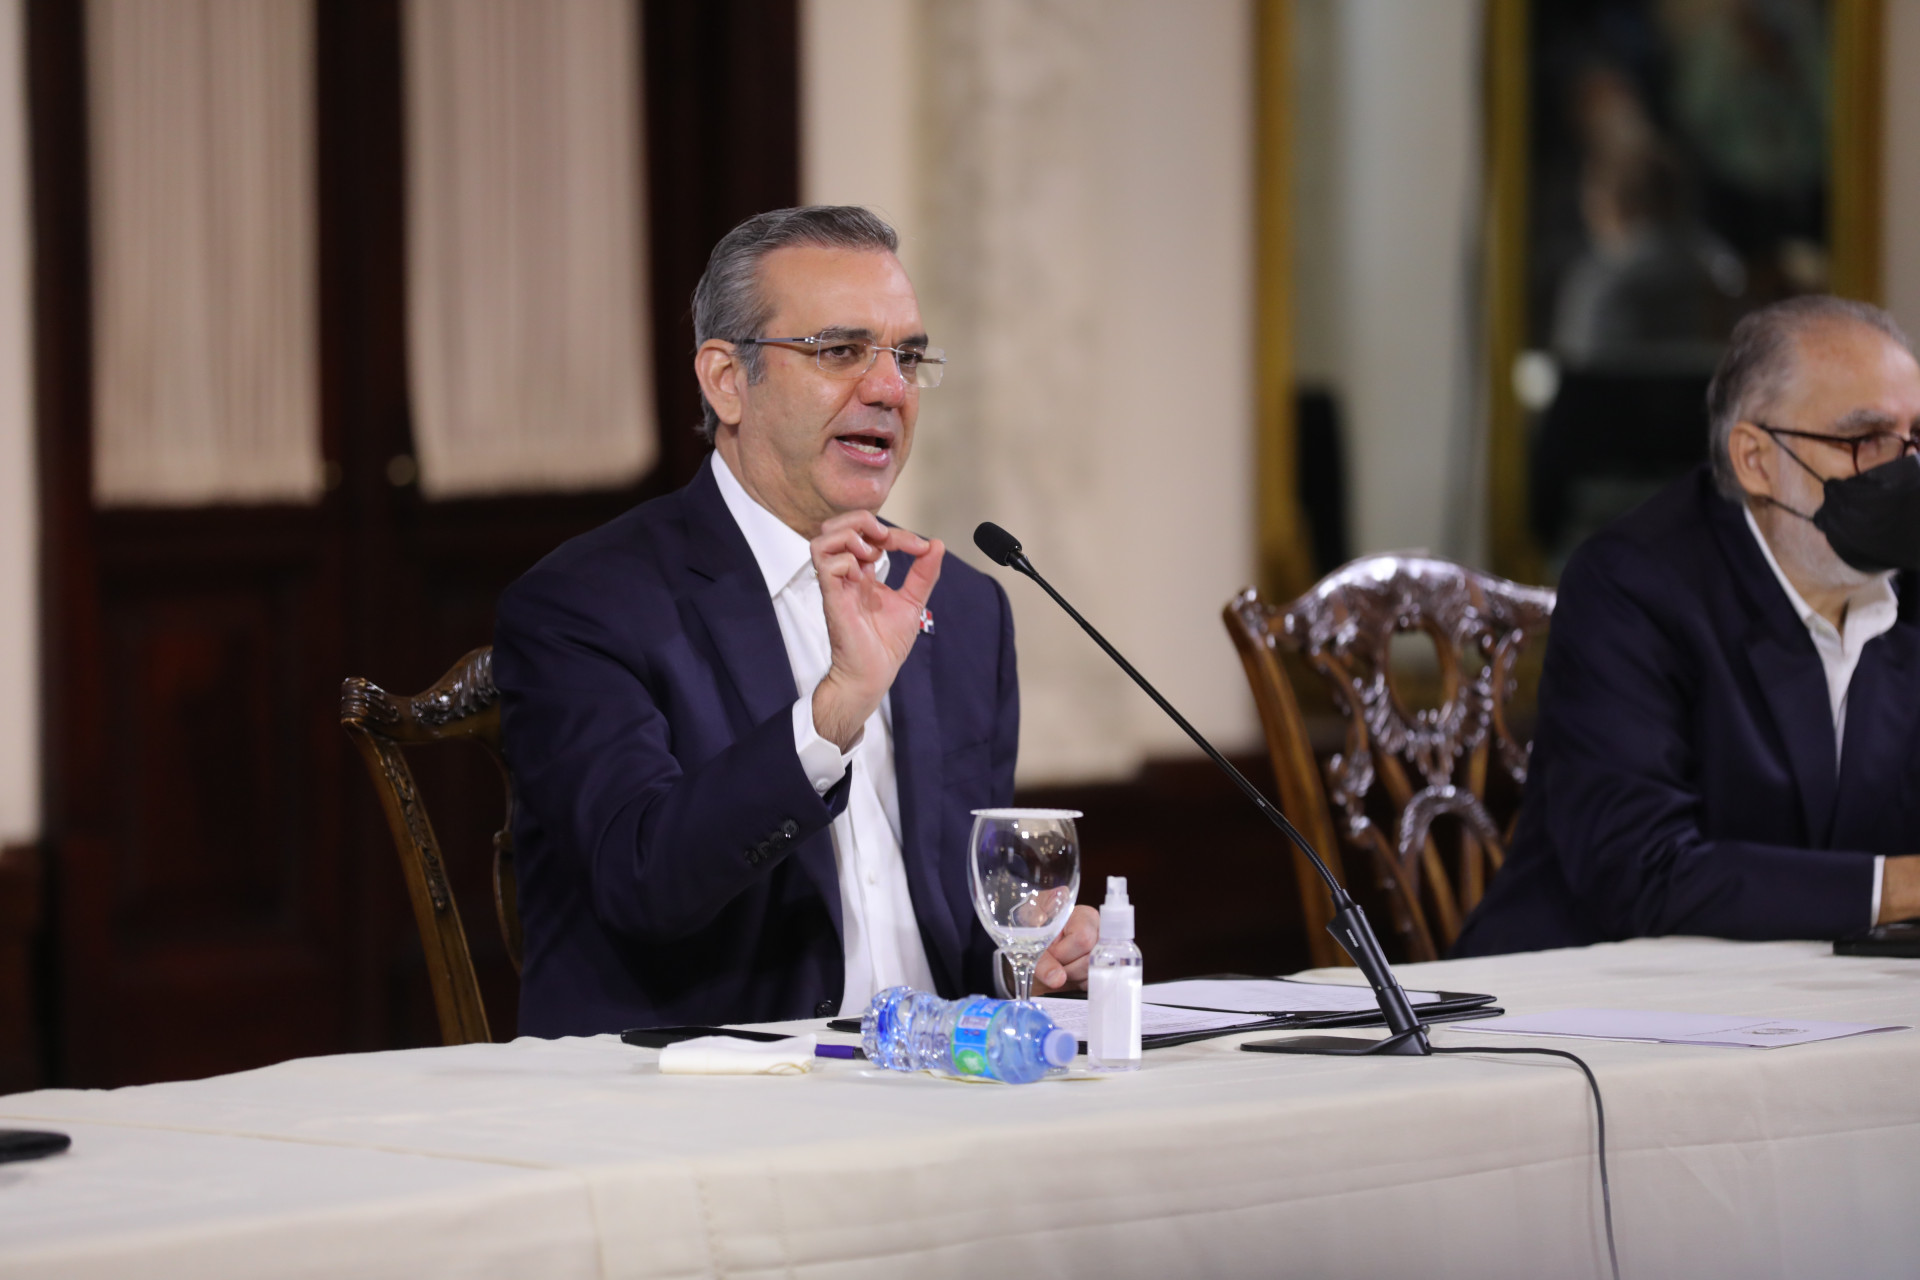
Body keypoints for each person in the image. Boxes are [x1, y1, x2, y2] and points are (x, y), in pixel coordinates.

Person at [495, 206, 1098, 1034]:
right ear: (726, 380)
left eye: (908, 358)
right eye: (840, 351)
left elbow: (952, 921)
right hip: (703, 1086)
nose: (889, 390)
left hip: (937, 1081)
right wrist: (832, 716)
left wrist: (1024, 955)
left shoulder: (961, 608)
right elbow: (640, 879)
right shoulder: (586, 604)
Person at [1455, 295, 1920, 956]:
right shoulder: (1633, 585)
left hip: (1813, 988)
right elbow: (1639, 869)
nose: (1902, 469)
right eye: (1865, 439)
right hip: (1581, 992)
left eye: (1914, 439)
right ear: (1756, 459)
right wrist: (1899, 887)